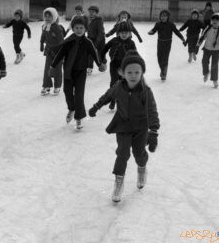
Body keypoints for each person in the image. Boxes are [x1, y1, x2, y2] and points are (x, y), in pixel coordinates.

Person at [88, 50, 160, 203]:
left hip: (141, 127)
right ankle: (118, 182)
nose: (133, 75)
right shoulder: (119, 86)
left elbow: (152, 110)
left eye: (136, 72)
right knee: (122, 153)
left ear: (142, 73)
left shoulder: (145, 91)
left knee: (139, 154)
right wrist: (96, 107)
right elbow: (107, 96)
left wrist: (153, 132)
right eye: (129, 72)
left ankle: (141, 168)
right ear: (122, 72)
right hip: (123, 125)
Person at [51, 16, 104, 130]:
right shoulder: (68, 41)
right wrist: (53, 65)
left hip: (81, 72)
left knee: (79, 96)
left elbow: (94, 54)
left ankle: (78, 117)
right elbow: (60, 54)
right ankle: (72, 108)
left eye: (81, 28)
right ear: (73, 29)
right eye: (76, 28)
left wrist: (99, 64)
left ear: (85, 29)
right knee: (67, 92)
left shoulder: (88, 42)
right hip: (68, 71)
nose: (79, 30)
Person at [101, 21, 137, 110]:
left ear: (129, 33)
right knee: (114, 83)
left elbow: (135, 54)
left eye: (126, 33)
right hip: (114, 64)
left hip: (125, 66)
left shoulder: (131, 43)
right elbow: (105, 48)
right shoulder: (114, 40)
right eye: (122, 33)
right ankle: (113, 100)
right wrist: (102, 58)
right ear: (118, 33)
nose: (124, 35)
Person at [147, 10, 186, 81]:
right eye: (161, 16)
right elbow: (154, 30)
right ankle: (162, 70)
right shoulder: (158, 24)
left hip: (167, 43)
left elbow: (177, 32)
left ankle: (164, 74)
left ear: (168, 17)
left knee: (165, 59)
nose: (163, 17)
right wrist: (151, 32)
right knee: (159, 58)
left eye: (165, 16)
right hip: (160, 43)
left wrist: (182, 39)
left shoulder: (171, 24)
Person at [196, 13, 219, 88]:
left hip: (216, 51)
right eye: (213, 20)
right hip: (207, 49)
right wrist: (197, 46)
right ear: (211, 21)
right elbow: (202, 37)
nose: (214, 21)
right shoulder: (208, 29)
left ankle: (214, 80)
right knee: (204, 62)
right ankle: (206, 73)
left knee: (214, 65)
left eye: (216, 20)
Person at [40, 7, 64, 95]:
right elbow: (43, 36)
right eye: (45, 16)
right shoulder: (44, 26)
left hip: (58, 51)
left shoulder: (57, 27)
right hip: (49, 51)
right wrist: (41, 44)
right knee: (47, 68)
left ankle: (57, 86)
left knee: (57, 69)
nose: (47, 18)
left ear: (53, 17)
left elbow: (61, 40)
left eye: (49, 16)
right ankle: (46, 85)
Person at [86, 5, 106, 74]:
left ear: (96, 13)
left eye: (93, 12)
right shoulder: (88, 19)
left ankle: (104, 62)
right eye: (90, 12)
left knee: (101, 53)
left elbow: (100, 32)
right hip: (91, 38)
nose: (91, 13)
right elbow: (88, 29)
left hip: (100, 39)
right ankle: (89, 67)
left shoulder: (99, 20)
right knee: (90, 53)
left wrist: (97, 41)